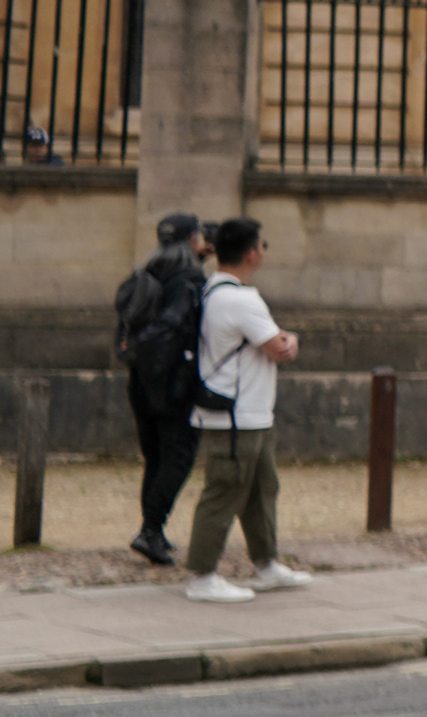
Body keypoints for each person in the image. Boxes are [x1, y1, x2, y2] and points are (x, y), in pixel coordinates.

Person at [179, 217, 309, 604]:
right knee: (223, 493)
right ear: (252, 252)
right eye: (263, 245)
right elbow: (279, 347)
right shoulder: (242, 298)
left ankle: (266, 564)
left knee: (259, 490)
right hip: (237, 415)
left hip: (246, 413)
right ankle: (201, 576)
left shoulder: (211, 292)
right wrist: (291, 339)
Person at [111, 210, 208, 568]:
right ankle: (151, 529)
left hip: (140, 377)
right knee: (179, 455)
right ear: (192, 240)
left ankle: (153, 527)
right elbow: (175, 325)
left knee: (155, 456)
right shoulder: (189, 280)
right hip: (172, 379)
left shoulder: (147, 273)